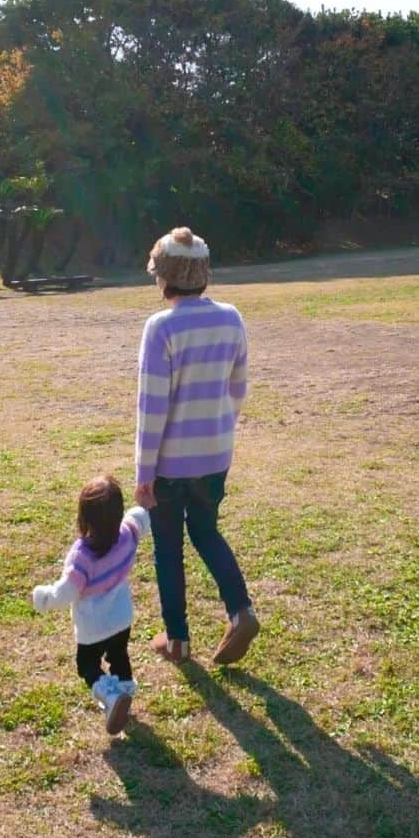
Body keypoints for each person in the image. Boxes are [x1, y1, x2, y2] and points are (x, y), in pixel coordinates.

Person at [135, 226, 259, 666]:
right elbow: (238, 388)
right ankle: (240, 610)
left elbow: (152, 408)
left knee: (167, 546)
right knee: (206, 531)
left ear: (163, 277)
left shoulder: (161, 328)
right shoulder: (231, 318)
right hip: (215, 455)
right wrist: (220, 428)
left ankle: (177, 640)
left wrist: (143, 474)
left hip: (169, 464)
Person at [32, 474, 150, 735]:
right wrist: (143, 505)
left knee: (87, 665)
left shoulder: (82, 556)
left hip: (93, 625)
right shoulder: (127, 536)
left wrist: (44, 597)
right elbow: (139, 520)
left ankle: (110, 697)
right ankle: (125, 687)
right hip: (121, 617)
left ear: (84, 518)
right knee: (118, 654)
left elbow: (66, 592)